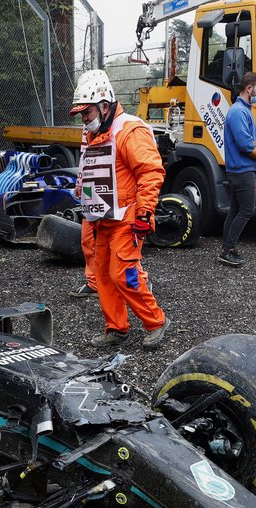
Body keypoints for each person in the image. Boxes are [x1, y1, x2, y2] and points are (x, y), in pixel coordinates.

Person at [71, 69, 170, 349]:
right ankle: (116, 327)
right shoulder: (97, 134)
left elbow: (151, 172)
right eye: (81, 114)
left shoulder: (128, 130)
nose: (84, 119)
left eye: (86, 112)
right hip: (103, 218)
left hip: (128, 217)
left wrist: (144, 213)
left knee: (123, 274)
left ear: (104, 105)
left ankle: (156, 321)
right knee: (102, 275)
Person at [219, 71, 256, 267]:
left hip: (239, 170)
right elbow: (244, 143)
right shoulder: (238, 112)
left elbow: (251, 141)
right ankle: (228, 250)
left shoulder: (243, 110)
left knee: (235, 211)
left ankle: (227, 248)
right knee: (246, 211)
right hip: (242, 171)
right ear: (249, 88)